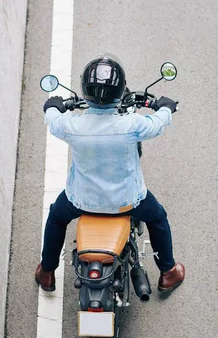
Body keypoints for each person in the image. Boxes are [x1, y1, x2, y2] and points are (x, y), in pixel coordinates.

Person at [35, 53, 185, 294]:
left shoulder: (73, 126)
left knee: (56, 217)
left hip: (81, 201)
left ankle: (47, 272)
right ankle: (168, 272)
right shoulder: (132, 125)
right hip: (127, 201)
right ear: (119, 91)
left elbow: (52, 118)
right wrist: (166, 108)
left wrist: (54, 105)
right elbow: (157, 123)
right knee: (157, 218)